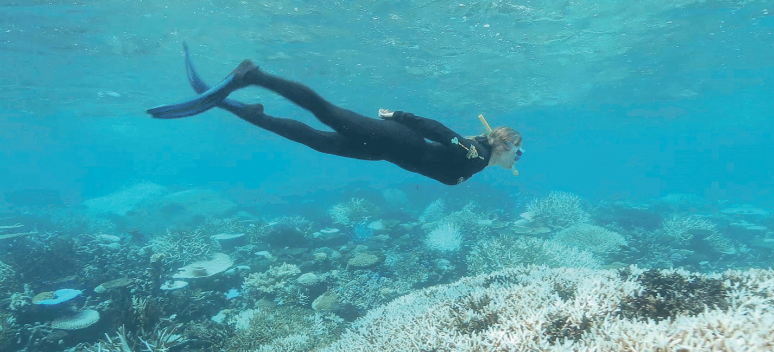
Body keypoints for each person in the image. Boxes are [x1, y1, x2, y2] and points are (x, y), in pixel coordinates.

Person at [147, 44, 523, 185]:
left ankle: (253, 113)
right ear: (504, 147)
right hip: (395, 141)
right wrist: (398, 115)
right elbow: (437, 130)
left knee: (315, 140)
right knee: (326, 114)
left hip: (385, 152)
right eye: (518, 152)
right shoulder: (475, 155)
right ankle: (253, 75)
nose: (517, 159)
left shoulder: (477, 160)